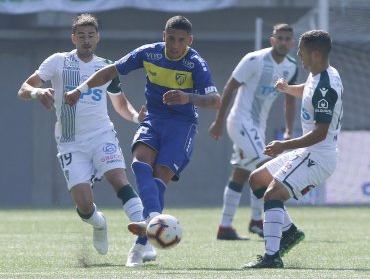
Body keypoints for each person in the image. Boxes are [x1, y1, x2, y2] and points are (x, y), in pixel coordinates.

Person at [64, 15, 221, 266]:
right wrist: (79, 90)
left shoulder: (195, 63)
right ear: (163, 36)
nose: (175, 44)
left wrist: (187, 98)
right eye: (171, 38)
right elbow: (110, 71)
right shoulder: (150, 53)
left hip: (181, 127)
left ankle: (138, 248)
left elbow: (215, 101)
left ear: (189, 40)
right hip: (153, 120)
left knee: (159, 178)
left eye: (181, 40)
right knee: (139, 164)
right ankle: (152, 220)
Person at [17, 13, 156, 266]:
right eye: (81, 35)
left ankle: (144, 236)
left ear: (98, 38)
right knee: (84, 206)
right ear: (74, 38)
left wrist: (137, 118)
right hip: (70, 142)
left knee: (118, 179)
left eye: (91, 35)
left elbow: (119, 103)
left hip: (102, 134)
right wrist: (38, 92)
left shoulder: (106, 67)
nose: (86, 40)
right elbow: (24, 88)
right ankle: (99, 224)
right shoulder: (58, 61)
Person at [243, 30, 343, 268]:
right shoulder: (322, 74)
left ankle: (272, 257)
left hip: (318, 157)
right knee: (257, 179)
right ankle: (288, 232)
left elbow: (320, 133)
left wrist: (283, 145)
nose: (298, 54)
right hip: (310, 152)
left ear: (316, 54)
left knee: (272, 194)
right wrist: (288, 89)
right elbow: (307, 90)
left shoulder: (325, 88)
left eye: (302, 51)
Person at [209, 24, 297, 240]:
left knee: (241, 172)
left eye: (287, 39)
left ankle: (225, 227)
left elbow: (289, 99)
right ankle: (266, 223)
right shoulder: (253, 60)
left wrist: (288, 129)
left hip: (257, 126)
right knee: (265, 168)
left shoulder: (291, 67)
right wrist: (218, 121)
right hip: (240, 122)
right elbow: (230, 87)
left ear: (292, 42)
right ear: (272, 39)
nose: (283, 42)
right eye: (280, 38)